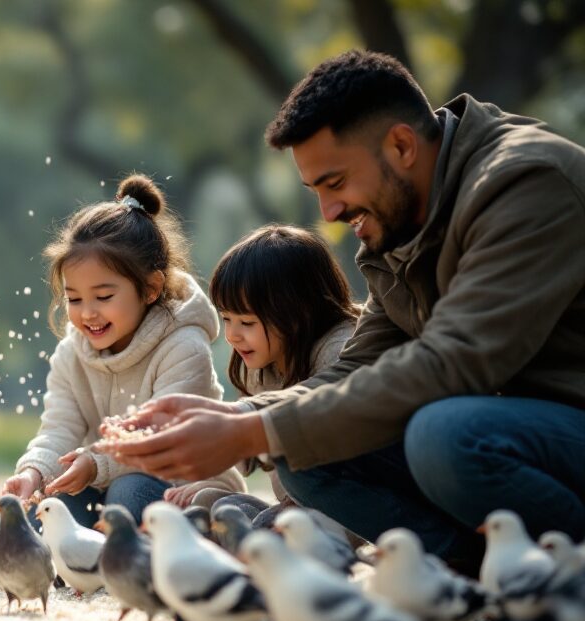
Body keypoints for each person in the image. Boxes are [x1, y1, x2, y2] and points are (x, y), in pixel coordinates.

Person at [97, 50, 585, 574]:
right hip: (513, 436)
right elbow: (358, 367)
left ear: (401, 145)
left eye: (335, 183)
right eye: (316, 191)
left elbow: (453, 363)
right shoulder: (402, 218)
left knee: (444, 434)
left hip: (552, 426)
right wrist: (240, 416)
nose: (328, 213)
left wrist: (251, 434)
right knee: (304, 450)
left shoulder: (525, 183)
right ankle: (470, 579)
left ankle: (559, 576)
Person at [1, 174, 244, 529]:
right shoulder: (72, 353)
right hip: (101, 478)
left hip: (182, 487)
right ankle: (85, 560)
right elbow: (59, 429)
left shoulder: (183, 346)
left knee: (130, 492)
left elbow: (161, 440)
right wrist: (34, 471)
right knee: (36, 512)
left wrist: (96, 463)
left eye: (103, 297)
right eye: (74, 298)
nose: (87, 312)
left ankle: (134, 559)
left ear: (150, 288)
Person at [165, 224, 358, 516]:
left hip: (344, 506)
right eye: (226, 319)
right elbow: (247, 453)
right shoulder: (259, 363)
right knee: (209, 502)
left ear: (296, 313)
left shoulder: (339, 351)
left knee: (269, 519)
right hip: (293, 506)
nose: (231, 335)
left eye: (247, 322)